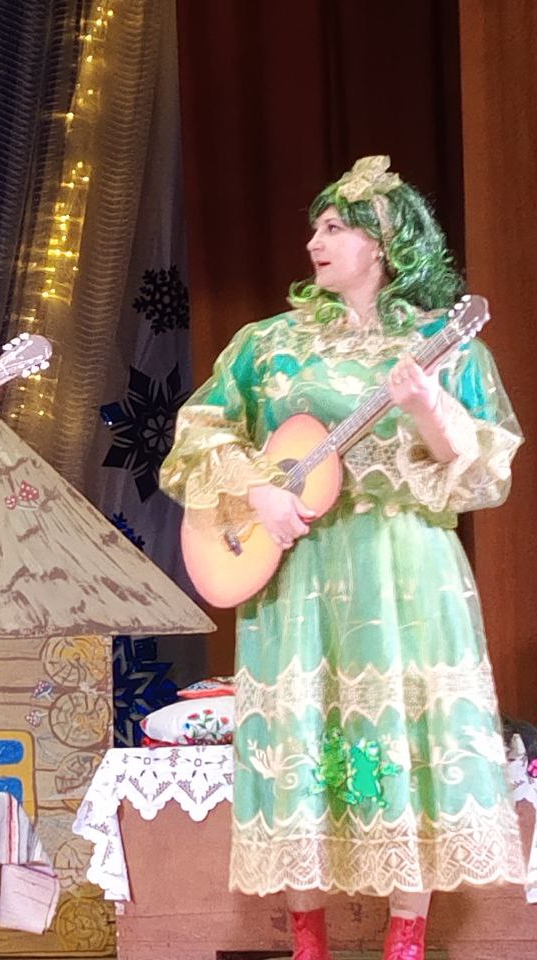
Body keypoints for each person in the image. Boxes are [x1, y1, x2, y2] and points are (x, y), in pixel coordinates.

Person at [160, 156, 525, 960]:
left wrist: (427, 404)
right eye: (315, 227)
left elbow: (480, 470)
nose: (314, 241)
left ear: (384, 243)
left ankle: (405, 941)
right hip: (302, 570)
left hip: (403, 569)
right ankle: (309, 944)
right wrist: (258, 489)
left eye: (334, 227)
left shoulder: (442, 346)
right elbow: (198, 433)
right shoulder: (269, 344)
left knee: (407, 737)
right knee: (302, 737)